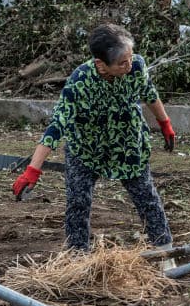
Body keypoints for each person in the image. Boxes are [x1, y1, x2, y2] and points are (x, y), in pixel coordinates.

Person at [12, 23, 178, 253]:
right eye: (122, 63)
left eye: (130, 58)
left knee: (146, 197)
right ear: (101, 64)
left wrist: (165, 124)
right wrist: (33, 169)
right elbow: (57, 125)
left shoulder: (137, 66)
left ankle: (165, 251)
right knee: (78, 203)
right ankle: (78, 257)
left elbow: (149, 93)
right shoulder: (79, 82)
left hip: (127, 146)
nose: (129, 65)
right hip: (87, 149)